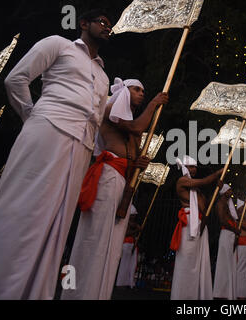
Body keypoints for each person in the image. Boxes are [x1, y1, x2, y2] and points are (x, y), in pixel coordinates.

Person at [0, 9, 112, 300]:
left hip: (82, 144)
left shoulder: (103, 74)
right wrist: (33, 116)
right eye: (101, 21)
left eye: (109, 25)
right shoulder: (58, 44)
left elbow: (97, 116)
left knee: (57, 223)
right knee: (23, 208)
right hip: (49, 128)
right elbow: (16, 79)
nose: (106, 26)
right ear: (83, 24)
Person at [61, 78, 168, 300]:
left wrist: (139, 162)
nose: (142, 93)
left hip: (122, 180)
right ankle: (78, 294)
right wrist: (153, 104)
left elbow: (135, 152)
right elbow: (138, 126)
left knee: (112, 248)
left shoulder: (131, 128)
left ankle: (99, 294)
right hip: (108, 176)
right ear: (124, 92)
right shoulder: (111, 109)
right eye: (137, 89)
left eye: (144, 90)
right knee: (95, 238)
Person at [169, 156, 222, 300]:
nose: (194, 169)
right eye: (191, 166)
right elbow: (205, 181)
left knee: (197, 261)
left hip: (199, 223)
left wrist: (217, 189)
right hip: (189, 223)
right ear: (185, 167)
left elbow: (205, 205)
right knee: (187, 260)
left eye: (195, 167)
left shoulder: (195, 189)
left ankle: (193, 296)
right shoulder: (183, 181)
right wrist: (218, 173)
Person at [212, 184, 241, 300]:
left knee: (230, 263)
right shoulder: (220, 204)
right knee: (224, 263)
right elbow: (222, 221)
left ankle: (228, 292)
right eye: (229, 189)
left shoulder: (228, 204)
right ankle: (221, 293)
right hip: (226, 234)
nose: (231, 191)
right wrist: (235, 230)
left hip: (231, 234)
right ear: (224, 191)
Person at [115, 205, 141, 289]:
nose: (134, 217)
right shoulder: (125, 223)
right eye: (133, 215)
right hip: (126, 244)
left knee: (132, 265)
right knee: (124, 264)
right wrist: (136, 230)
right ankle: (121, 282)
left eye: (134, 215)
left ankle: (130, 282)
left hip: (133, 244)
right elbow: (126, 234)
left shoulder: (134, 224)